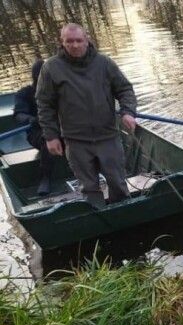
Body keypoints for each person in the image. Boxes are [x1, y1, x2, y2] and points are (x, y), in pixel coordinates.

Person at [36, 23, 137, 208]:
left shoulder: (104, 63)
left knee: (118, 182)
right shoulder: (51, 68)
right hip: (76, 140)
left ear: (87, 39)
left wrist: (128, 112)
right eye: (69, 41)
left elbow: (124, 89)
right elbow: (45, 105)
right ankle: (100, 223)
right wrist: (51, 136)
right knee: (89, 189)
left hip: (107, 136)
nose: (74, 45)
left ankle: (123, 217)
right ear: (62, 42)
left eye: (78, 40)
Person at [13, 59, 53, 196]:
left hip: (61, 128)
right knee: (46, 138)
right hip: (37, 132)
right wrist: (31, 119)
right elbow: (19, 115)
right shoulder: (25, 93)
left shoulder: (59, 90)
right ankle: (45, 178)